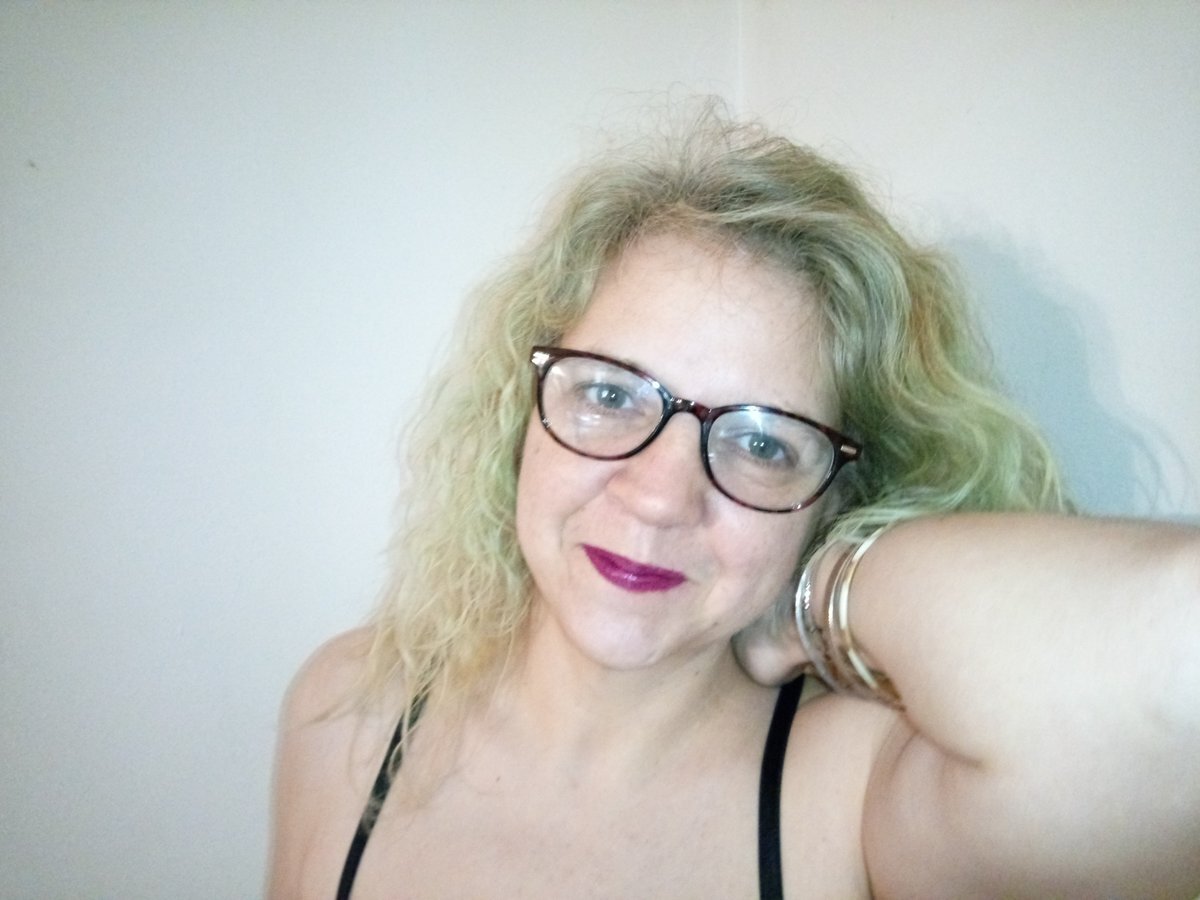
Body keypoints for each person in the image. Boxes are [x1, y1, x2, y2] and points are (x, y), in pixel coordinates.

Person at [267, 108, 1200, 899]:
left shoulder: (853, 804)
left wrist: (820, 594)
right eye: (611, 393)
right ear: (524, 407)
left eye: (762, 443)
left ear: (833, 494)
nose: (658, 498)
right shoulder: (346, 710)